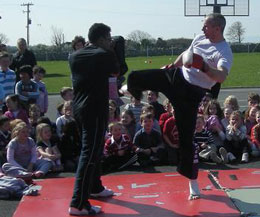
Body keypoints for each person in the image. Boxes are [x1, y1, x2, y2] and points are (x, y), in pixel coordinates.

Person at [127, 13, 232, 200]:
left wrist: (205, 67)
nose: (202, 30)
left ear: (217, 28)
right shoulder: (200, 37)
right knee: (136, 76)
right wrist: (173, 65)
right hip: (176, 78)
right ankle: (128, 91)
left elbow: (222, 76)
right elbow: (186, 54)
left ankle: (192, 182)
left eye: (206, 26)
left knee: (186, 140)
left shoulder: (224, 51)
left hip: (191, 95)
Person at [68, 23, 120, 216]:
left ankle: (95, 187)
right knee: (89, 153)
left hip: (79, 107)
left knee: (95, 149)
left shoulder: (75, 55)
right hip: (94, 108)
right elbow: (117, 71)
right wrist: (113, 50)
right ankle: (78, 203)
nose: (110, 41)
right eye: (108, 38)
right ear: (100, 39)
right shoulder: (103, 54)